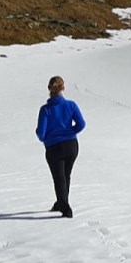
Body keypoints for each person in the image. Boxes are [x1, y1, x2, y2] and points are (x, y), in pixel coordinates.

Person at [35, 75, 85, 218]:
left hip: (54, 147)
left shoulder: (45, 109)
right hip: (71, 146)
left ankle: (65, 207)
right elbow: (81, 124)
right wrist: (69, 132)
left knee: (59, 178)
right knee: (65, 175)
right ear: (63, 88)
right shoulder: (71, 105)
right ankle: (61, 202)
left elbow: (40, 133)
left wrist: (47, 138)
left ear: (49, 89)